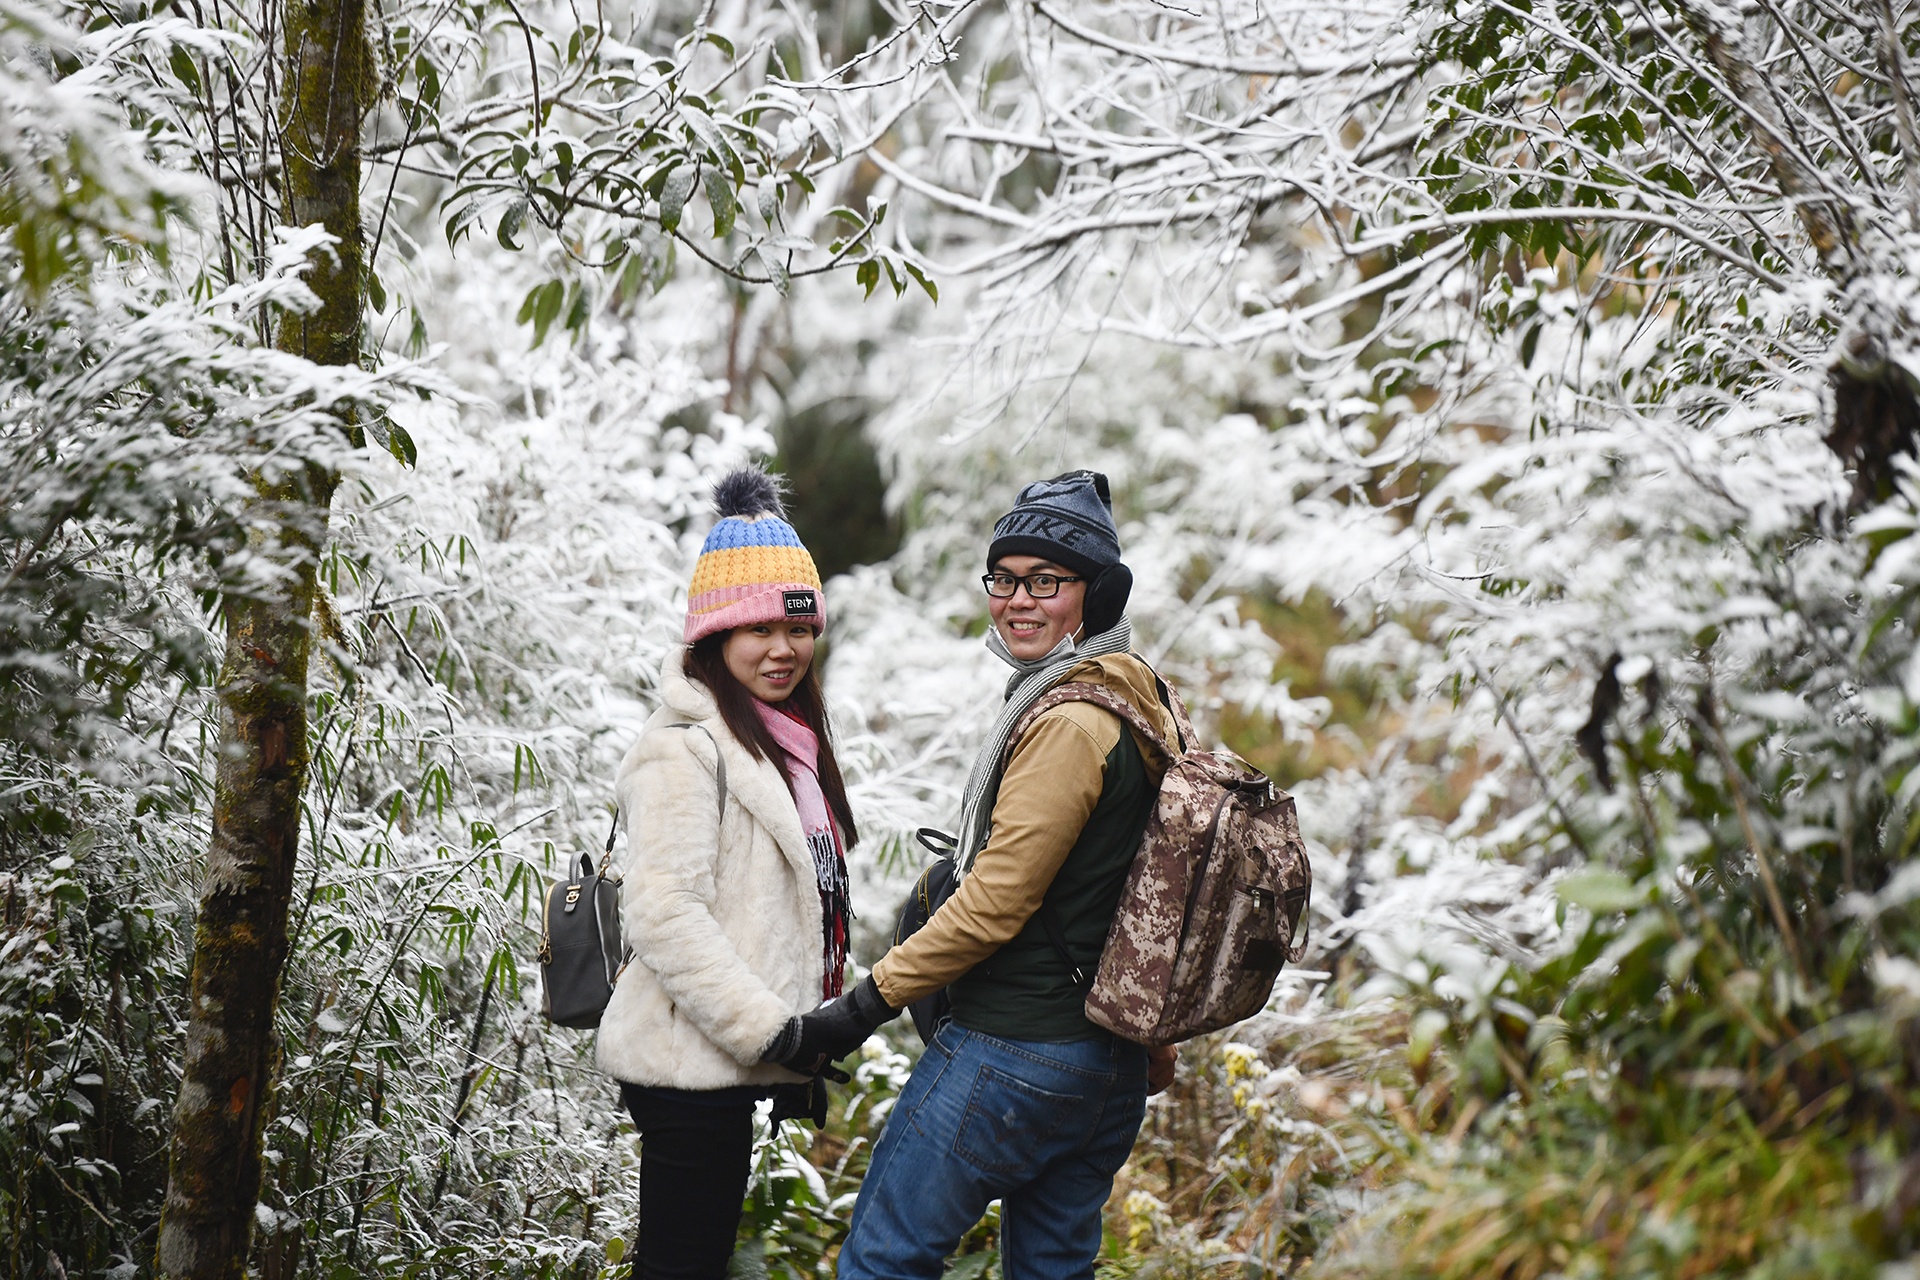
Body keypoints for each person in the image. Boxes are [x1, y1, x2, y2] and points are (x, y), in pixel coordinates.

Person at [762, 469, 1181, 1278]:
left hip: (1015, 1052)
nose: (1018, 601)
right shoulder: (1141, 699)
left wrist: (861, 1008)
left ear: (1101, 594)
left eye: (1046, 581)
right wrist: (1153, 1049)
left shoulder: (1070, 724)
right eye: (1004, 579)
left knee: (882, 1263)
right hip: (1106, 1070)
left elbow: (995, 902)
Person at [596, 467, 858, 1280]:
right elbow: (665, 914)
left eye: (799, 628)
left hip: (727, 1060)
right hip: (688, 1063)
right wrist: (773, 1031)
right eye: (759, 630)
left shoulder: (784, 742)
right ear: (714, 636)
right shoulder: (683, 750)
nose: (784, 649)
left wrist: (796, 1035)